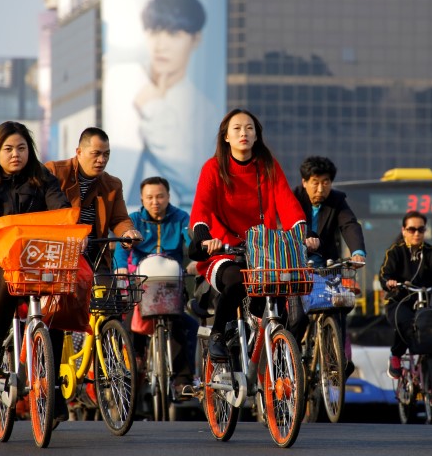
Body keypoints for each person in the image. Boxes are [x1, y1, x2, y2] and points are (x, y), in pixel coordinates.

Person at [0, 121, 71, 423]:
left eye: (21, 148)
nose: (15, 154)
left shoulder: (43, 179)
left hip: (35, 259)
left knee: (57, 307)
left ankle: (53, 389)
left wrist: (72, 228)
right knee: (8, 281)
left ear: (29, 151)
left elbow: (59, 210)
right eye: (8, 149)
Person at [189, 109, 310, 361]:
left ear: (257, 136)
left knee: (279, 297)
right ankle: (218, 335)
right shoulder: (213, 168)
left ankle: (276, 362)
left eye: (249, 128)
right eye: (237, 128)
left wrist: (302, 233)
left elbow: (287, 204)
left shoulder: (267, 166)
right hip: (222, 251)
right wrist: (203, 237)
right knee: (235, 281)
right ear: (226, 137)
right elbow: (201, 206)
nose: (243, 132)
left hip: (263, 251)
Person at [119, 0, 219, 207]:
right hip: (125, 222)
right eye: (154, 32)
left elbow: (193, 181)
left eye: (174, 34)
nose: (160, 45)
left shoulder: (205, 111)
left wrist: (154, 109)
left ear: (196, 39)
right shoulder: (125, 83)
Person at [113, 176, 195, 396]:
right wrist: (121, 267)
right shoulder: (134, 220)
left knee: (185, 325)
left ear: (168, 197)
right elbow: (122, 247)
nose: (155, 201)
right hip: (143, 285)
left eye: (160, 196)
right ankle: (135, 361)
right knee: (130, 321)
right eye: (149, 197)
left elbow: (191, 242)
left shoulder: (181, 218)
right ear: (142, 198)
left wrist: (196, 261)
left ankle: (182, 380)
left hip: (171, 285)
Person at [292, 156, 366, 376]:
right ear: (304, 182)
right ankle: (291, 362)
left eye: (325, 182)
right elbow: (284, 223)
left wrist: (358, 252)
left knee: (339, 305)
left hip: (326, 267)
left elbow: (350, 225)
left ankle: (339, 359)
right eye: (315, 181)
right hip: (296, 267)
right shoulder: (292, 198)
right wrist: (304, 238)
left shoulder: (336, 200)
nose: (320, 187)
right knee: (297, 318)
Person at [44, 126, 141, 271]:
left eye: (106, 154)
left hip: (96, 258)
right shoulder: (54, 171)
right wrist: (76, 232)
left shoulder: (113, 184)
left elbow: (119, 219)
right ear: (79, 152)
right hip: (58, 257)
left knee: (107, 292)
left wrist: (128, 232)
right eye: (96, 154)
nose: (102, 160)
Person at [379, 211, 432, 379]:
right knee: (405, 323)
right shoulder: (395, 252)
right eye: (412, 229)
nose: (417, 233)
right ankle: (395, 357)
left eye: (421, 229)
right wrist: (389, 282)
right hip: (398, 301)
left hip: (425, 302)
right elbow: (385, 273)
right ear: (404, 230)